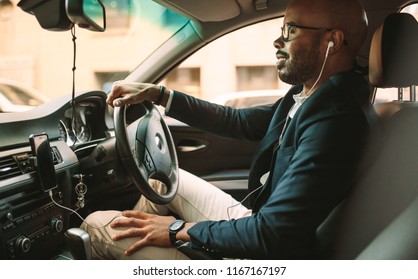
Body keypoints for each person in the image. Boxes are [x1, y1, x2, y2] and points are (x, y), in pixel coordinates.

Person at [81, 0, 370, 259]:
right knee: (162, 181)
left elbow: (273, 235)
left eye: (291, 30)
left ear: (332, 41)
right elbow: (238, 121)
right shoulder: (311, 95)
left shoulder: (335, 119)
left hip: (263, 256)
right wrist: (158, 94)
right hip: (255, 224)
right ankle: (134, 246)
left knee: (96, 227)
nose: (277, 41)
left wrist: (176, 231)